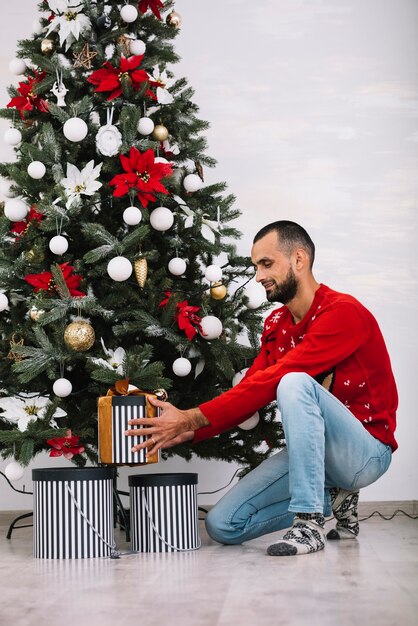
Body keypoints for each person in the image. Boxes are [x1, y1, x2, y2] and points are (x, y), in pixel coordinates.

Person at [125, 220, 398, 557]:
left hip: (365, 452)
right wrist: (190, 429)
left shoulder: (342, 313)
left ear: (299, 259)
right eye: (256, 266)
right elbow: (254, 387)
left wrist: (193, 418)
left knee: (294, 380)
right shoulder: (277, 325)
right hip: (317, 458)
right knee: (223, 525)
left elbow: (277, 380)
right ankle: (334, 498)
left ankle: (309, 524)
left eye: (266, 264)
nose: (257, 276)